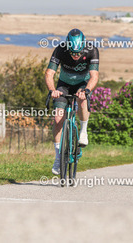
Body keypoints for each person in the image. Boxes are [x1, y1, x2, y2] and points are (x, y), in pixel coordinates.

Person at [45, 28, 99, 175]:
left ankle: (83, 131)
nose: (75, 56)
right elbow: (49, 73)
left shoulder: (92, 50)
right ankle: (58, 157)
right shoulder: (60, 49)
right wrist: (52, 90)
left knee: (82, 99)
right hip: (64, 85)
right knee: (58, 119)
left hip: (82, 84)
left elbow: (94, 76)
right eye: (73, 53)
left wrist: (86, 90)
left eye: (78, 53)